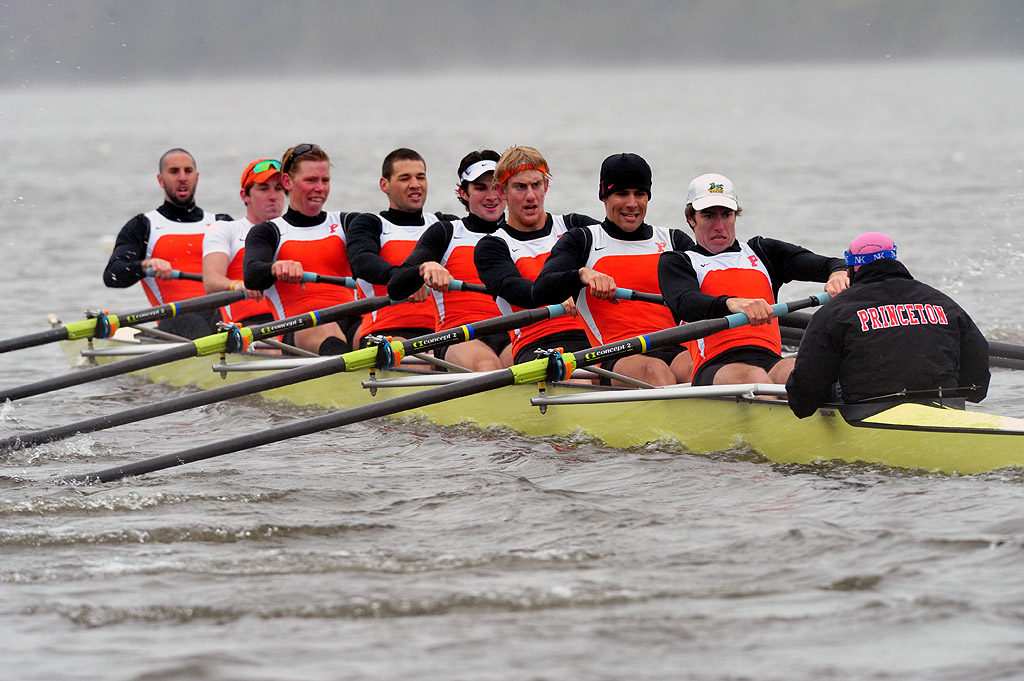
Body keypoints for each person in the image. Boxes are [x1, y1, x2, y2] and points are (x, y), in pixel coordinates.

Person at [658, 172, 849, 387]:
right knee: (755, 378)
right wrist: (732, 303)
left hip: (770, 360)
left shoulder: (762, 252)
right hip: (714, 366)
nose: (719, 226)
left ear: (735, 215)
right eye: (708, 216)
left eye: (726, 215)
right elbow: (685, 302)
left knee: (809, 371)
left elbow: (830, 264)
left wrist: (839, 273)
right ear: (691, 219)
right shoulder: (679, 262)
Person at [532, 153, 694, 386]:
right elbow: (541, 290)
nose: (632, 203)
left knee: (698, 368)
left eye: (640, 194)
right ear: (604, 196)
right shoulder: (582, 240)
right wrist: (582, 275)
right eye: (621, 194)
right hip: (613, 355)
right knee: (656, 371)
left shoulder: (674, 241)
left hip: (675, 348)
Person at [785, 232, 990, 418]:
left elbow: (804, 395)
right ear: (895, 260)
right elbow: (978, 374)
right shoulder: (944, 303)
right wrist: (966, 394)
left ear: (851, 270)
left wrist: (805, 406)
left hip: (865, 413)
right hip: (944, 405)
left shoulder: (833, 312)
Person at [387, 150, 511, 371]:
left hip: (511, 332)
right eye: (480, 188)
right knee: (487, 365)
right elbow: (396, 286)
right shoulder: (446, 233)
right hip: (457, 335)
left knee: (535, 367)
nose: (491, 196)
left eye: (496, 187)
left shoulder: (519, 235)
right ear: (463, 193)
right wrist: (423, 268)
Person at [473, 145, 596, 367]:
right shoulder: (492, 246)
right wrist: (567, 286)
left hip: (594, 340)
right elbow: (524, 293)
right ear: (502, 192)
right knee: (585, 381)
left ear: (545, 186)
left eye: (536, 185)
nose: (530, 196)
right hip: (537, 345)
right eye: (520, 187)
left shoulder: (576, 227)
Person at [103, 148, 232, 338]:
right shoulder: (144, 226)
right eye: (174, 171)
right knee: (192, 321)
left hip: (223, 322)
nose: (182, 177)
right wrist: (144, 265)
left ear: (196, 177)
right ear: (160, 180)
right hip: (178, 325)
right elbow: (112, 275)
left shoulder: (222, 223)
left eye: (188, 171)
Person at [242, 144, 357, 355]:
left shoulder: (348, 223)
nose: (320, 188)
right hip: (298, 329)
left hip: (353, 320)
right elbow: (252, 275)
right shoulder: (268, 232)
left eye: (325, 181)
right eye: (311, 180)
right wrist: (275, 268)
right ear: (287, 181)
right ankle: (349, 381)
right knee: (327, 330)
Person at [346, 148, 455, 345]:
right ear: (384, 184)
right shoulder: (369, 224)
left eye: (420, 177)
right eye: (405, 178)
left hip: (440, 333)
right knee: (422, 361)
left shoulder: (444, 226)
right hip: (383, 333)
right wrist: (406, 279)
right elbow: (362, 261)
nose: (415, 185)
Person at [201, 158, 284, 327]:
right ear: (245, 196)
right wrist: (237, 284)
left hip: (293, 322)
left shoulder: (295, 232)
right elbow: (211, 281)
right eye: (263, 189)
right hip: (248, 325)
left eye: (279, 189)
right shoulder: (226, 230)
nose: (273, 196)